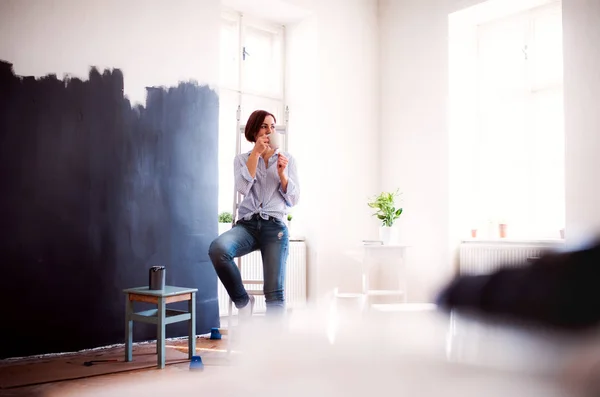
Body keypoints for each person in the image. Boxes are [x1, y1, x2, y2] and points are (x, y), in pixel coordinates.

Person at [208, 109, 300, 318]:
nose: (270, 131)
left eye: (273, 127)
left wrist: (282, 175)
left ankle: (271, 348)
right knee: (218, 249)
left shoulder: (288, 159)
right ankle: (244, 302)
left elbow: (293, 200)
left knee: (274, 294)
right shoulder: (241, 159)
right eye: (264, 126)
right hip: (247, 226)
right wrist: (256, 154)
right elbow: (242, 188)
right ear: (254, 131)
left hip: (274, 227)